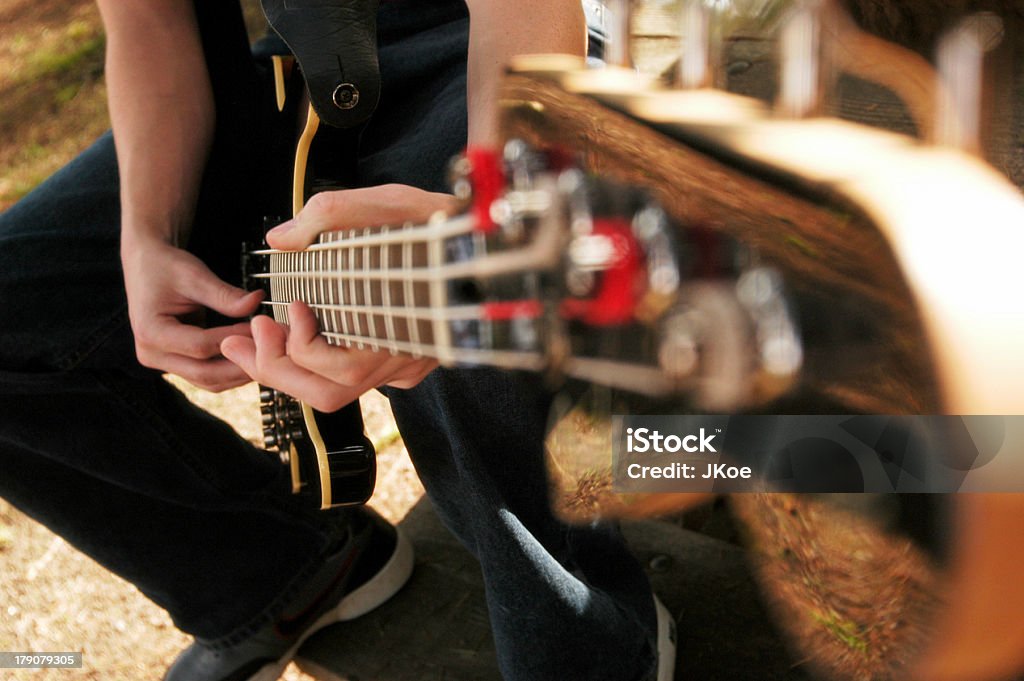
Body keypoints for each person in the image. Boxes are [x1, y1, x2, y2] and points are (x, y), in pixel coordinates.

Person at [0, 1, 675, 680]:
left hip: (516, 40)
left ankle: (597, 646)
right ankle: (280, 571)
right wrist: (146, 235)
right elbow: (150, 21)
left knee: (466, 292)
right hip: (312, 64)